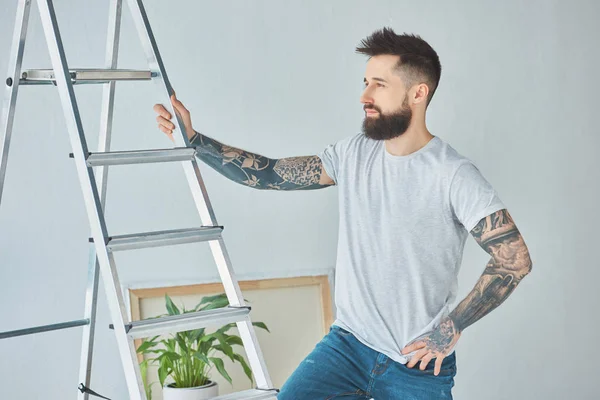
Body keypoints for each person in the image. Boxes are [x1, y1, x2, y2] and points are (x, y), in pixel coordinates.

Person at [153, 27, 533, 400]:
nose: (364, 95)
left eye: (379, 84)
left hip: (415, 364)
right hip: (347, 346)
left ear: (418, 93)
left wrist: (451, 327)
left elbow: (513, 259)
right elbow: (268, 173)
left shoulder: (453, 174)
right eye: (366, 82)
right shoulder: (354, 154)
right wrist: (196, 141)